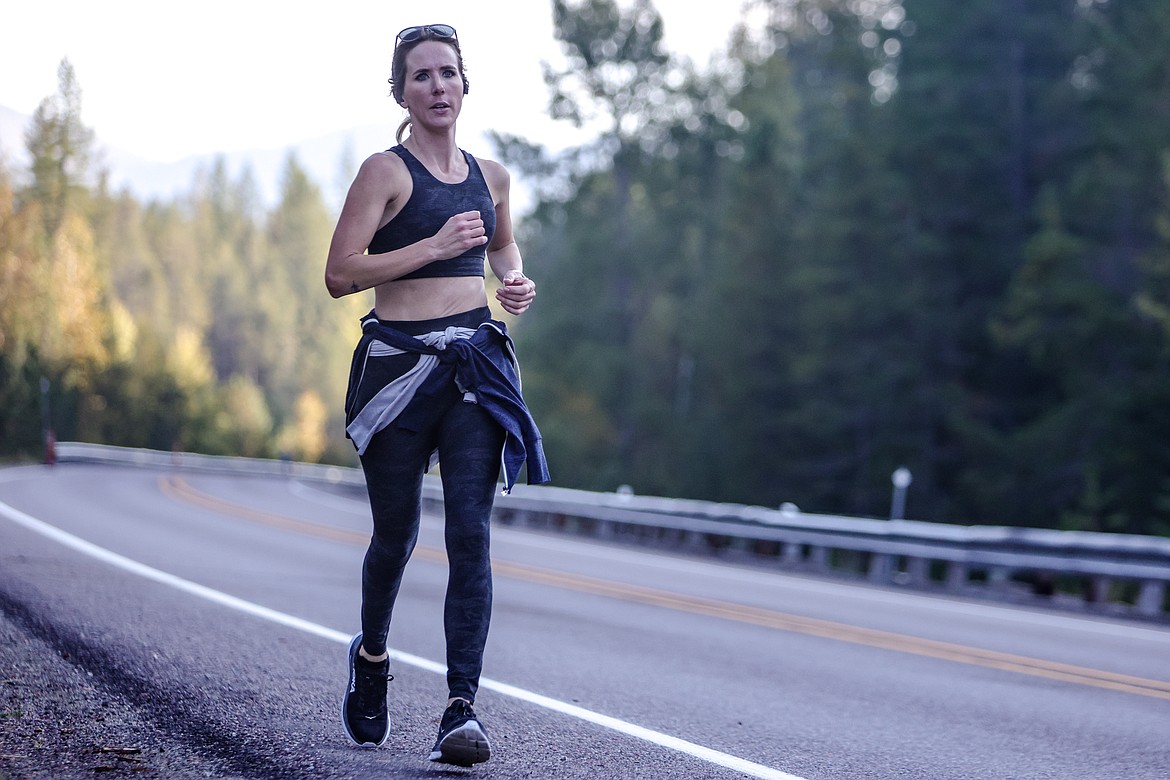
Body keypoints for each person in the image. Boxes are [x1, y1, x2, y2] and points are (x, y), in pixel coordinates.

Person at [324, 23, 549, 767]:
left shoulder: (492, 178)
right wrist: (430, 247)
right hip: (397, 372)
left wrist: (513, 282)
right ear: (402, 93)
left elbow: (501, 247)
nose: (437, 87)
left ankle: (461, 708)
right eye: (421, 76)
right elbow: (341, 273)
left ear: (464, 83)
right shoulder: (383, 174)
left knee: (470, 536)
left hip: (474, 370)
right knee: (395, 536)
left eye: (447, 73)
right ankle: (374, 659)